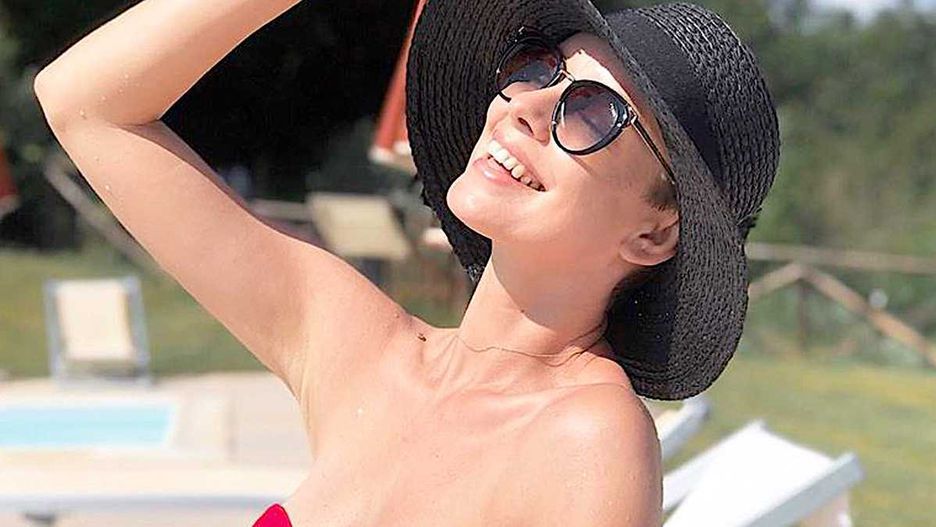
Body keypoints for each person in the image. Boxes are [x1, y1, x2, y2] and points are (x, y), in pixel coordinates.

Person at [33, 0, 779, 525]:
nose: (523, 105)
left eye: (590, 111)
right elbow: (83, 104)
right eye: (538, 68)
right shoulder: (360, 348)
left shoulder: (587, 439)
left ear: (653, 234)